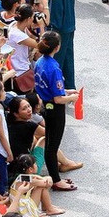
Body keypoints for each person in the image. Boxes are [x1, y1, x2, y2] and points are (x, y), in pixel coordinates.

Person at [33, 31, 80, 190]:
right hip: (55, 110)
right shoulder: (53, 67)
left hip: (45, 106)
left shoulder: (40, 62)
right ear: (57, 47)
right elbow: (58, 99)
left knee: (50, 142)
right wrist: (72, 98)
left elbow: (53, 90)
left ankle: (57, 174)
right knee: (52, 147)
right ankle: (56, 180)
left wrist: (67, 92)